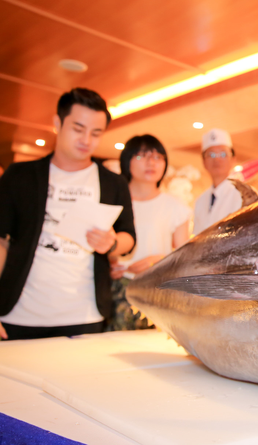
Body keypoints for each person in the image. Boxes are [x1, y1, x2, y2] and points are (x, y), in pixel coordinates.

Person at [0, 88, 136, 340]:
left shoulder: (113, 183)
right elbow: (2, 242)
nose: (86, 139)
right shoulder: (20, 176)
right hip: (19, 313)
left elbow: (129, 236)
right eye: (78, 128)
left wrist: (112, 243)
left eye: (96, 133)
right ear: (57, 123)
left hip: (84, 316)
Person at [109, 134, 191, 330]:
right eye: (142, 156)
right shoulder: (111, 202)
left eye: (158, 157)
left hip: (157, 290)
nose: (151, 163)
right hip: (115, 290)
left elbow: (185, 258)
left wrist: (157, 262)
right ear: (127, 161)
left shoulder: (175, 207)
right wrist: (107, 264)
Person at [193, 128, 243, 234]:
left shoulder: (241, 195)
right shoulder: (200, 201)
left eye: (223, 154)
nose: (217, 159)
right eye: (211, 155)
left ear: (233, 159)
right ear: (204, 162)